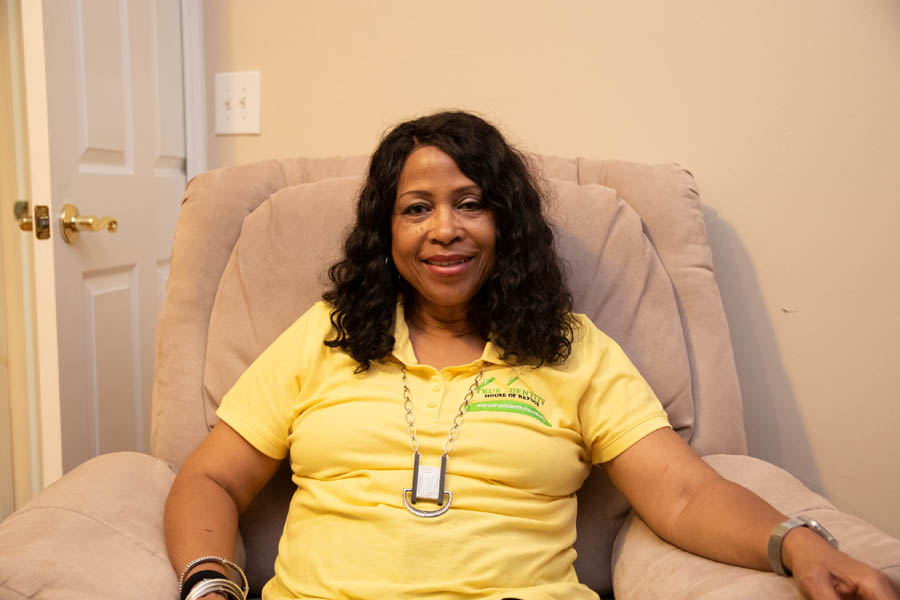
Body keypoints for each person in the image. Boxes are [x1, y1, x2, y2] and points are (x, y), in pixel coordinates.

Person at [164, 111, 897, 600]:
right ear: (386, 234)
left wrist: (797, 544)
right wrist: (210, 586)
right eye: (416, 208)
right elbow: (212, 477)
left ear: (506, 224)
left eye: (471, 203)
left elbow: (683, 494)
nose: (444, 229)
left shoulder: (574, 348)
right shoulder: (325, 334)